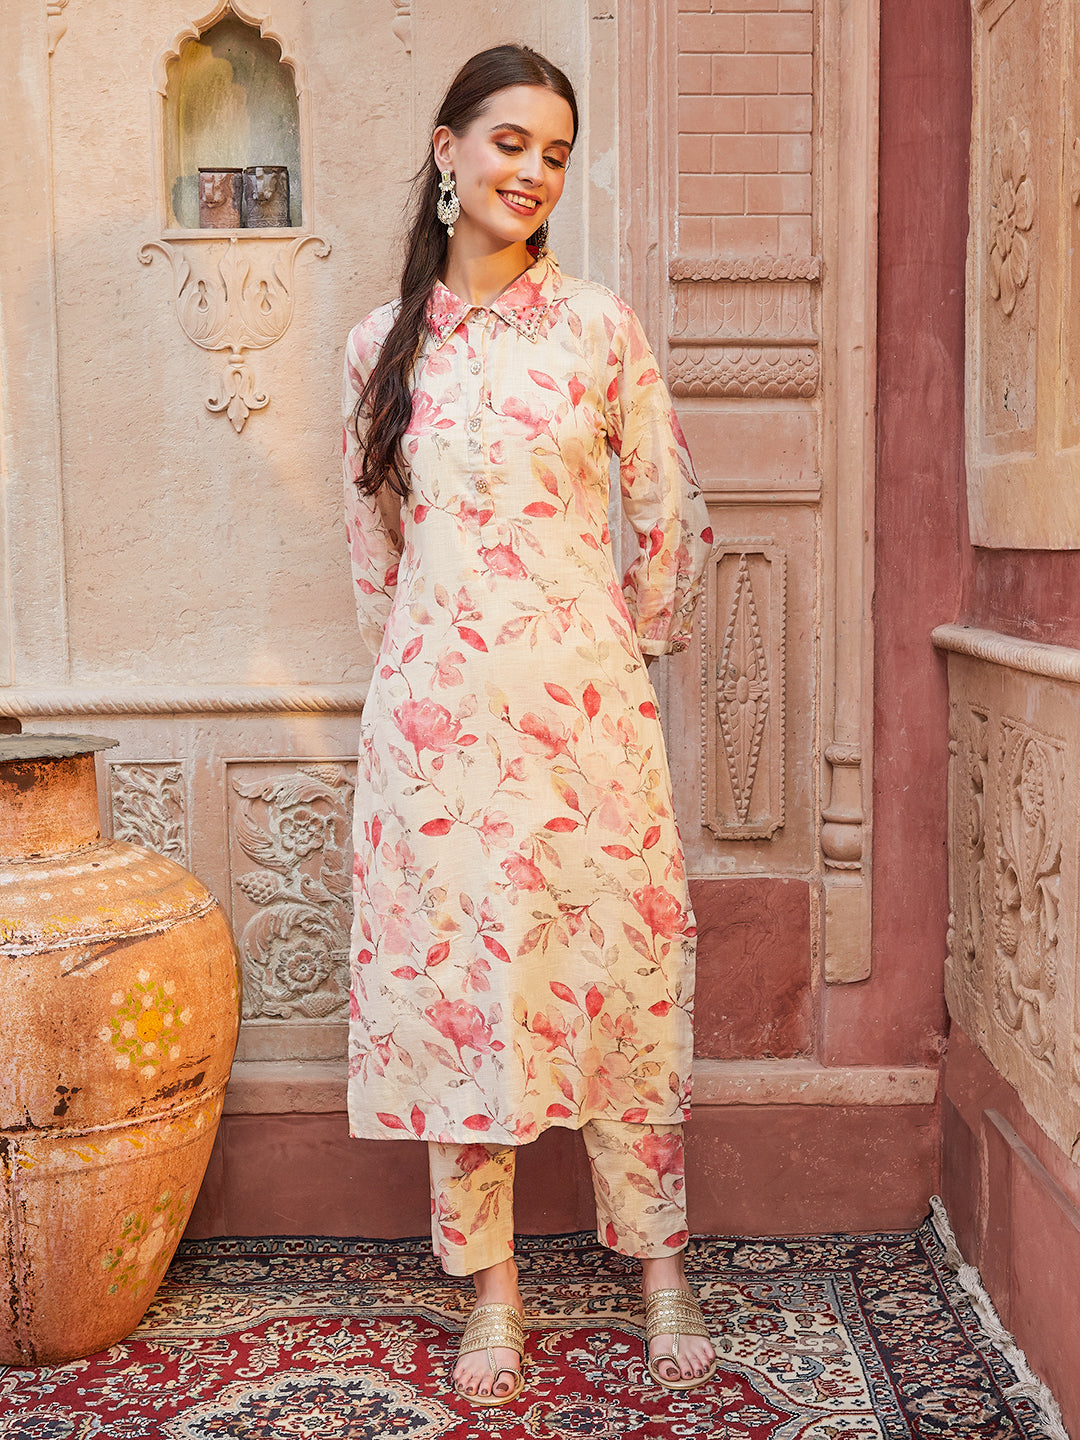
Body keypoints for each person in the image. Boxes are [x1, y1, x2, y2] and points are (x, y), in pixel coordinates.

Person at [341, 43, 716, 1408]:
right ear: (448, 151)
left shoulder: (598, 330)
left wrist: (617, 643)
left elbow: (668, 509)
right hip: (437, 730)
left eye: (555, 152)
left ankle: (661, 1265)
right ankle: (492, 1290)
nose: (532, 172)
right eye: (509, 142)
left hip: (585, 725)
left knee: (624, 985)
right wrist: (431, 673)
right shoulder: (379, 348)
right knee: (466, 1003)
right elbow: (374, 556)